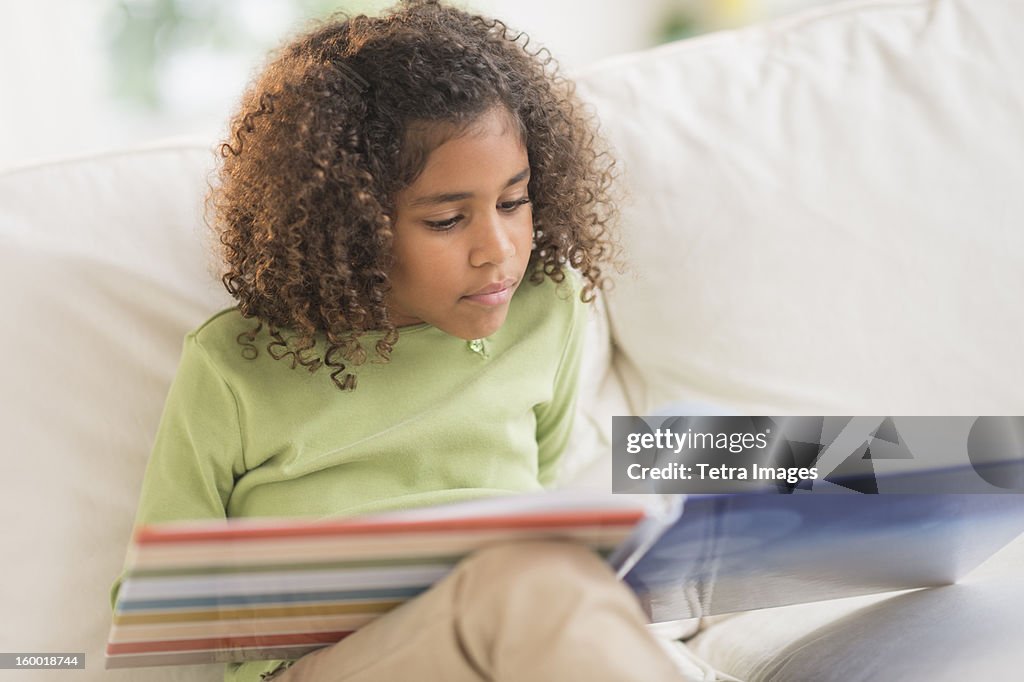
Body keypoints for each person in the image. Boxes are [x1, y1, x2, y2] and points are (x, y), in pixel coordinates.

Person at [111, 1, 684, 680]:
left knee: (799, 469)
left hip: (516, 644)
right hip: (332, 663)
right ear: (354, 227)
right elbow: (156, 607)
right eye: (446, 219)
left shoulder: (547, 311)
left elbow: (545, 483)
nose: (497, 251)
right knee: (536, 585)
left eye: (513, 202)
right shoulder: (236, 365)